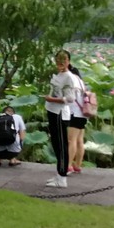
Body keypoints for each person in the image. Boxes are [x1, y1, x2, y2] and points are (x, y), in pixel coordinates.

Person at [44, 49, 80, 188]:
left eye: (64, 60)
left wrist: (52, 99)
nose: (61, 62)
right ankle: (58, 174)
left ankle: (62, 177)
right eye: (58, 59)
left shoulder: (69, 77)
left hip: (60, 113)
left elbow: (71, 98)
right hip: (51, 111)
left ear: (68, 61)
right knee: (56, 144)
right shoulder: (58, 74)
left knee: (61, 145)